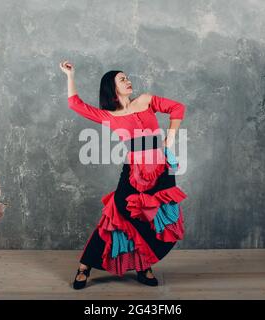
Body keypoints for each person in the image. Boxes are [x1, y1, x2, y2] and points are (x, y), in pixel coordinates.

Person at [59, 60, 187, 289]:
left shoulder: (145, 100)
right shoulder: (108, 116)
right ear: (112, 87)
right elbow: (75, 104)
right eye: (122, 79)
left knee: (153, 218)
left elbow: (177, 108)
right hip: (134, 172)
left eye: (128, 77)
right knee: (117, 216)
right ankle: (85, 265)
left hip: (161, 168)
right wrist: (70, 75)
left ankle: (143, 266)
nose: (128, 81)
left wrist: (171, 136)